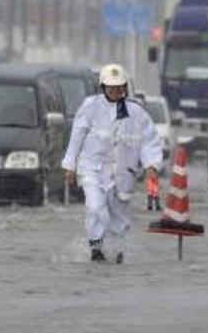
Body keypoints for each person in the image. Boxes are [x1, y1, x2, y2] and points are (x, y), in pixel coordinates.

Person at [61, 64, 162, 264]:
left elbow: (148, 140)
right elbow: (77, 136)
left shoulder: (136, 112)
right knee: (95, 206)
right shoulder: (90, 107)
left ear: (124, 88)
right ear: (103, 88)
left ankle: (117, 251)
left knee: (120, 216)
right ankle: (96, 245)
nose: (115, 92)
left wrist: (151, 165)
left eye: (119, 88)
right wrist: (70, 165)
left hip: (123, 170)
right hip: (93, 168)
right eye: (111, 88)